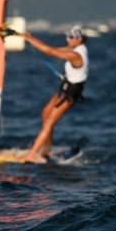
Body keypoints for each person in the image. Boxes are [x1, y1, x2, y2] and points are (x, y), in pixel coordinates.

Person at [20, 25, 89, 164]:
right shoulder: (76, 48)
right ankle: (46, 150)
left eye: (70, 37)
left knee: (50, 121)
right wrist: (31, 41)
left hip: (72, 91)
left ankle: (32, 154)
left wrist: (30, 38)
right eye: (67, 36)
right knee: (45, 113)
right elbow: (53, 49)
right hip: (66, 86)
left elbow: (49, 51)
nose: (67, 39)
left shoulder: (75, 55)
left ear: (79, 39)